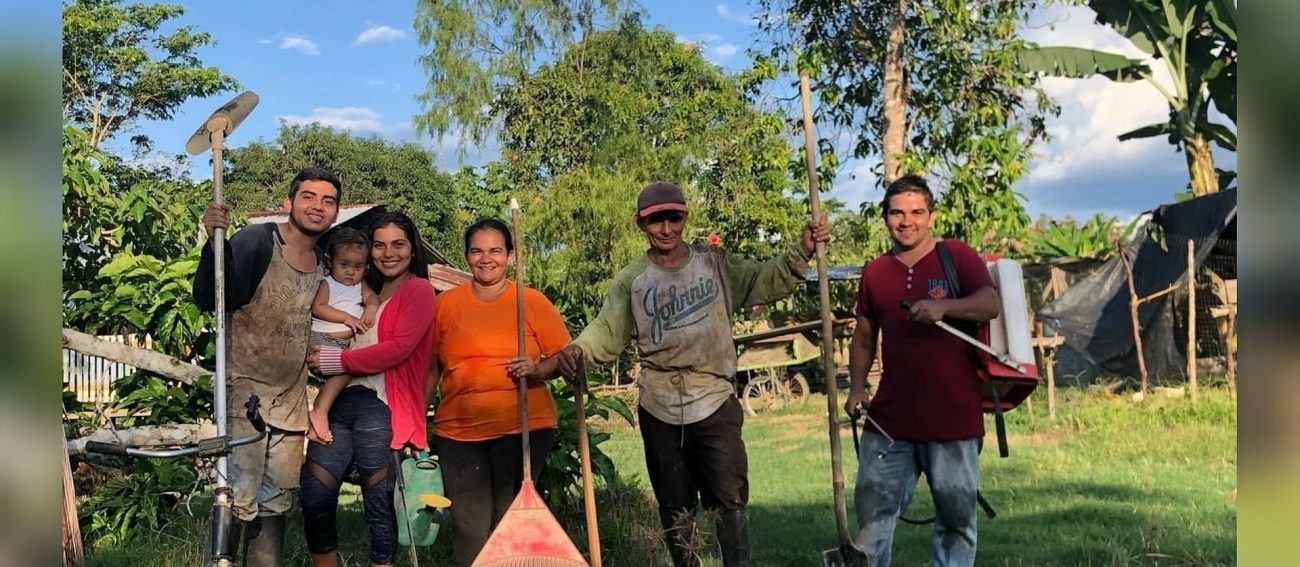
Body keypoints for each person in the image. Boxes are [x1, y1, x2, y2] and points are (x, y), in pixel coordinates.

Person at [555, 181, 831, 567]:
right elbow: (604, 331)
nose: (666, 228)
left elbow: (762, 280)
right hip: (659, 402)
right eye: (655, 221)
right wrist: (575, 351)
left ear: (685, 217)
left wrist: (802, 250)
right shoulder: (632, 281)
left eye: (674, 218)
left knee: (730, 497)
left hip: (714, 396)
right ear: (641, 224)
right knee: (674, 502)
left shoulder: (714, 264)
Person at [842, 174, 1001, 567]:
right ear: (885, 218)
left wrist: (944, 307)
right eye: (897, 213)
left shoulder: (957, 256)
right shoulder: (875, 271)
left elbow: (989, 303)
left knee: (957, 518)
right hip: (890, 418)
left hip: (953, 414)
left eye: (916, 212)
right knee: (872, 517)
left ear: (931, 215)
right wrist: (857, 389)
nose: (906, 221)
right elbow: (863, 337)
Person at [192, 166, 341, 566]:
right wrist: (214, 243)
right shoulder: (258, 242)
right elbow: (211, 297)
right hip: (245, 394)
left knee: (276, 502)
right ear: (288, 202)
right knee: (237, 497)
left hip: (291, 402)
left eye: (328, 201)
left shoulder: (325, 263)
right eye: (309, 197)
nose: (318, 207)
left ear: (335, 213)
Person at [429, 218, 573, 567]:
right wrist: (418, 420)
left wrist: (537, 369)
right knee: (469, 524)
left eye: (495, 250)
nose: (486, 258)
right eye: (477, 250)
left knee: (512, 519)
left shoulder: (531, 301)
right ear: (466, 257)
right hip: (459, 430)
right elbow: (431, 367)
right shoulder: (445, 305)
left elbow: (565, 357)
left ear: (509, 256)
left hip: (523, 426)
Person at [304, 211, 438, 567]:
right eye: (379, 244)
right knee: (316, 492)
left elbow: (397, 349)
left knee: (378, 500)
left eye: (398, 244)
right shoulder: (368, 291)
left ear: (413, 248)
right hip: (339, 401)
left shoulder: (419, 290)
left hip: (379, 403)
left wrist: (336, 361)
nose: (388, 252)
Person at [306, 227, 379, 444]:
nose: (350, 272)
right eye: (344, 265)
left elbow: (372, 297)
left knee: (348, 367)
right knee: (349, 365)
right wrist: (347, 318)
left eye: (357, 267)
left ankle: (316, 425)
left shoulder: (360, 285)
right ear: (330, 262)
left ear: (365, 268)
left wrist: (370, 309)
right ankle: (319, 411)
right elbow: (318, 308)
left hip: (340, 343)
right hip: (322, 340)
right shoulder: (328, 283)